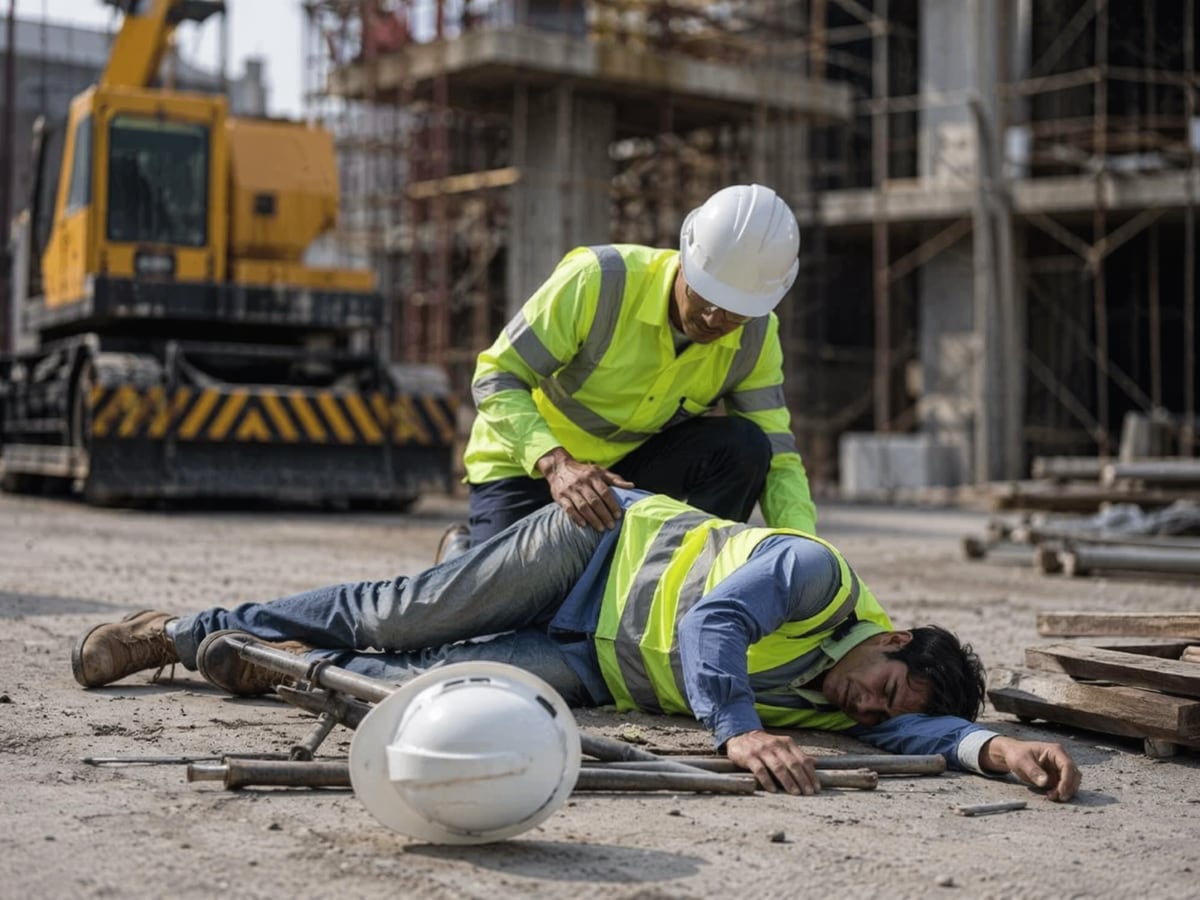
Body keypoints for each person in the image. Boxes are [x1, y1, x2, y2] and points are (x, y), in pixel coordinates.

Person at [72, 489, 1080, 801]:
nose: (868, 710)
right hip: (590, 553)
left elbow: (918, 739)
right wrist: (734, 733)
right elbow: (711, 624)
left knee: (429, 690)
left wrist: (997, 750)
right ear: (891, 637)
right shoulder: (816, 580)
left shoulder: (857, 705)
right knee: (400, 614)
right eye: (885, 685)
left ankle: (260, 661)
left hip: (597, 663)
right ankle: (177, 631)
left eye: (884, 713)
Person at [447, 183, 816, 560]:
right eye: (704, 296)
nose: (712, 319)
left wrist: (809, 554)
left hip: (624, 475)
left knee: (747, 446)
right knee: (514, 608)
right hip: (527, 468)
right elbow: (497, 375)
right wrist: (557, 465)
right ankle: (461, 556)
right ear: (686, 260)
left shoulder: (755, 338)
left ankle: (690, 582)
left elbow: (779, 458)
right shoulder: (600, 282)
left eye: (734, 312)